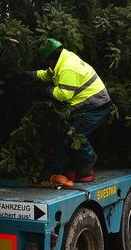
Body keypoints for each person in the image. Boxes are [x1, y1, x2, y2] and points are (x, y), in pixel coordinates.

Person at [29, 38, 111, 183]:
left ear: (52, 58)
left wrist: (46, 90)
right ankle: (73, 169)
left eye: (47, 61)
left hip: (94, 106)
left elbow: (63, 95)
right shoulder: (63, 59)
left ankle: (88, 159)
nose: (47, 64)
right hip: (89, 104)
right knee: (67, 138)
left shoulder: (68, 67)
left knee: (73, 136)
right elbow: (49, 74)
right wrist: (31, 75)